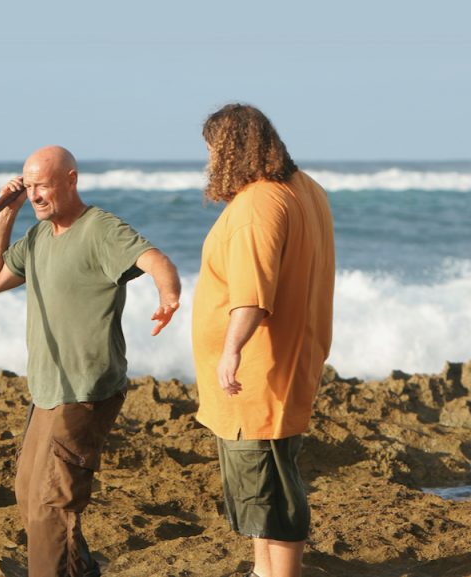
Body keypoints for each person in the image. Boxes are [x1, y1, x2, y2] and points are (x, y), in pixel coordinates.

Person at [0, 145, 181, 577]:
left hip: (85, 390)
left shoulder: (100, 229)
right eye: (28, 186)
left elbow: (155, 259)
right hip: (47, 391)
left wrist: (169, 295)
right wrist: (4, 215)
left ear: (71, 180)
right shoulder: (36, 238)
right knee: (28, 495)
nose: (34, 195)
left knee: (52, 506)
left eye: (43, 186)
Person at [191, 104, 336, 577]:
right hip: (293, 360)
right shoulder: (306, 189)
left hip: (259, 375)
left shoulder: (257, 204)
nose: (210, 163)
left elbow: (253, 294)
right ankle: (262, 572)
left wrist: (230, 350)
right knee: (267, 482)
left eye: (213, 151)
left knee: (267, 489)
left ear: (230, 150)